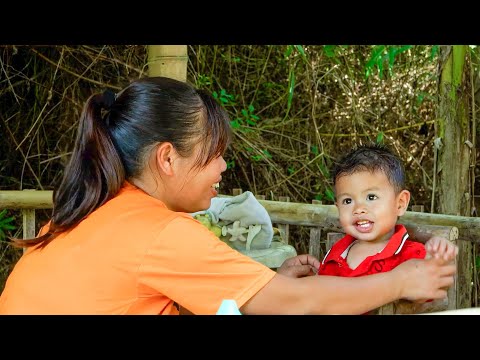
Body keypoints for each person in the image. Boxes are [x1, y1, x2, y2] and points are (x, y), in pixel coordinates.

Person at [0, 77, 456, 315]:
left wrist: (265, 283)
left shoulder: (85, 215)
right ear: (167, 158)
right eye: (214, 154)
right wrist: (400, 281)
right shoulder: (158, 232)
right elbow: (300, 304)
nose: (222, 168)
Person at [318, 143, 457, 312]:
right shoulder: (336, 254)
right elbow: (320, 299)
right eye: (348, 201)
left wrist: (436, 262)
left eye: (371, 197)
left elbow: (425, 295)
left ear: (400, 203)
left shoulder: (411, 255)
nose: (358, 208)